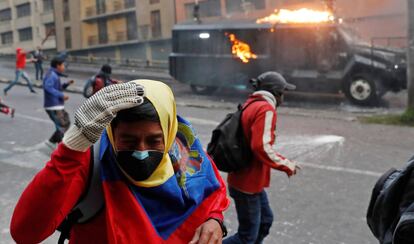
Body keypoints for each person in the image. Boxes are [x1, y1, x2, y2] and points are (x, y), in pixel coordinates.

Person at [11, 80, 229, 243]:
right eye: (128, 140)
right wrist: (71, 149)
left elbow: (213, 191)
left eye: (154, 140)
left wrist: (215, 219)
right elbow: (25, 232)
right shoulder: (90, 163)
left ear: (168, 129)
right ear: (113, 134)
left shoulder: (184, 147)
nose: (141, 152)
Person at [223, 71, 300, 244]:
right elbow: (261, 147)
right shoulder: (265, 108)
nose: (283, 98)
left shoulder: (252, 103)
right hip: (247, 184)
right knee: (247, 237)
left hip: (248, 181)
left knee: (265, 222)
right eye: (282, 93)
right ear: (276, 92)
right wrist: (286, 164)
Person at [43, 57, 74, 147]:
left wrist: (66, 84)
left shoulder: (54, 75)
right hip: (53, 106)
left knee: (66, 122)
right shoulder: (51, 75)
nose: (64, 67)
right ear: (58, 65)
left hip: (57, 105)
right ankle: (58, 146)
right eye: (63, 65)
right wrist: (61, 95)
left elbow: (57, 88)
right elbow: (48, 87)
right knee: (62, 125)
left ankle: (52, 142)